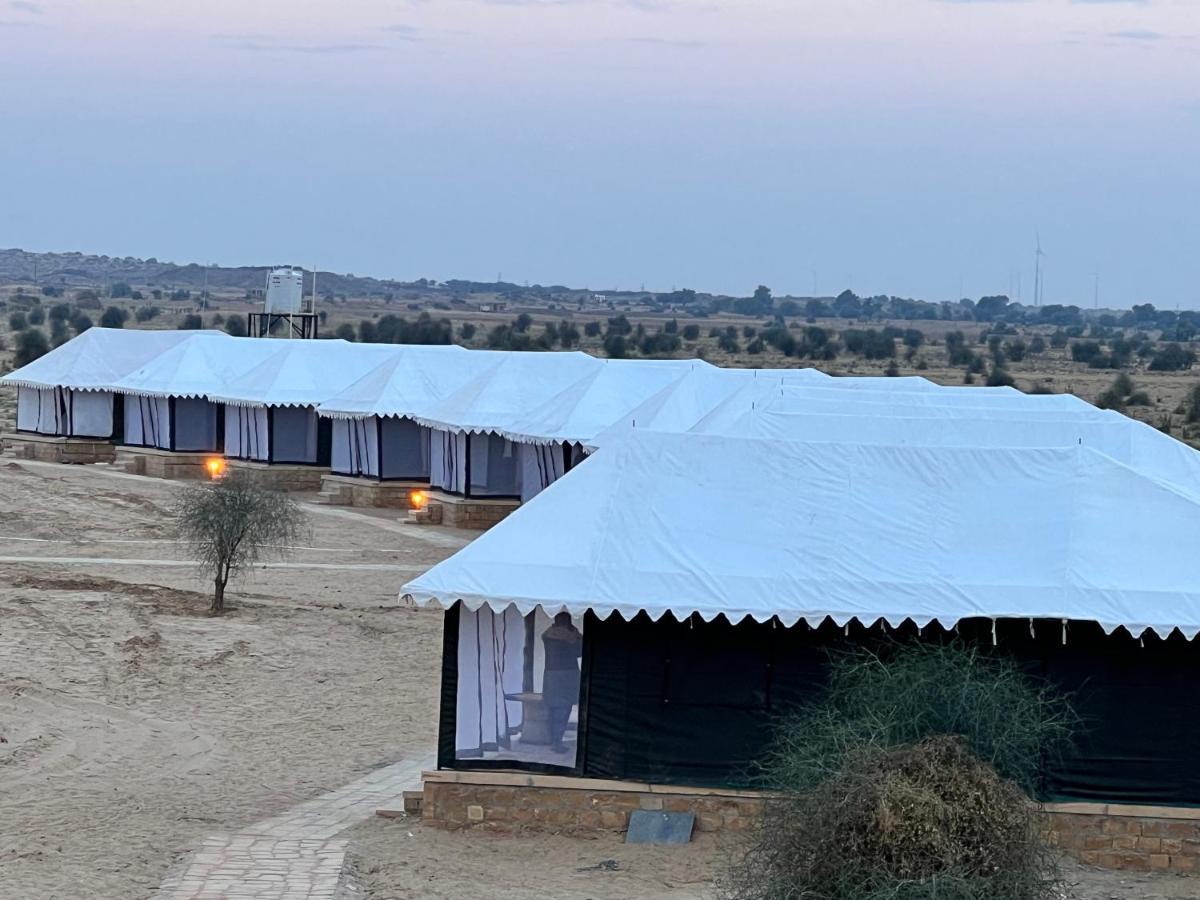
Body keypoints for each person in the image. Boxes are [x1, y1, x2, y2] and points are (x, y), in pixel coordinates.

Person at [541, 612, 583, 754]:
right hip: (567, 674)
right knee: (563, 709)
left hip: (550, 674)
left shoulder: (547, 634)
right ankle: (557, 742)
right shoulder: (570, 636)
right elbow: (579, 651)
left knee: (553, 708)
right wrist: (576, 633)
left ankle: (553, 739)